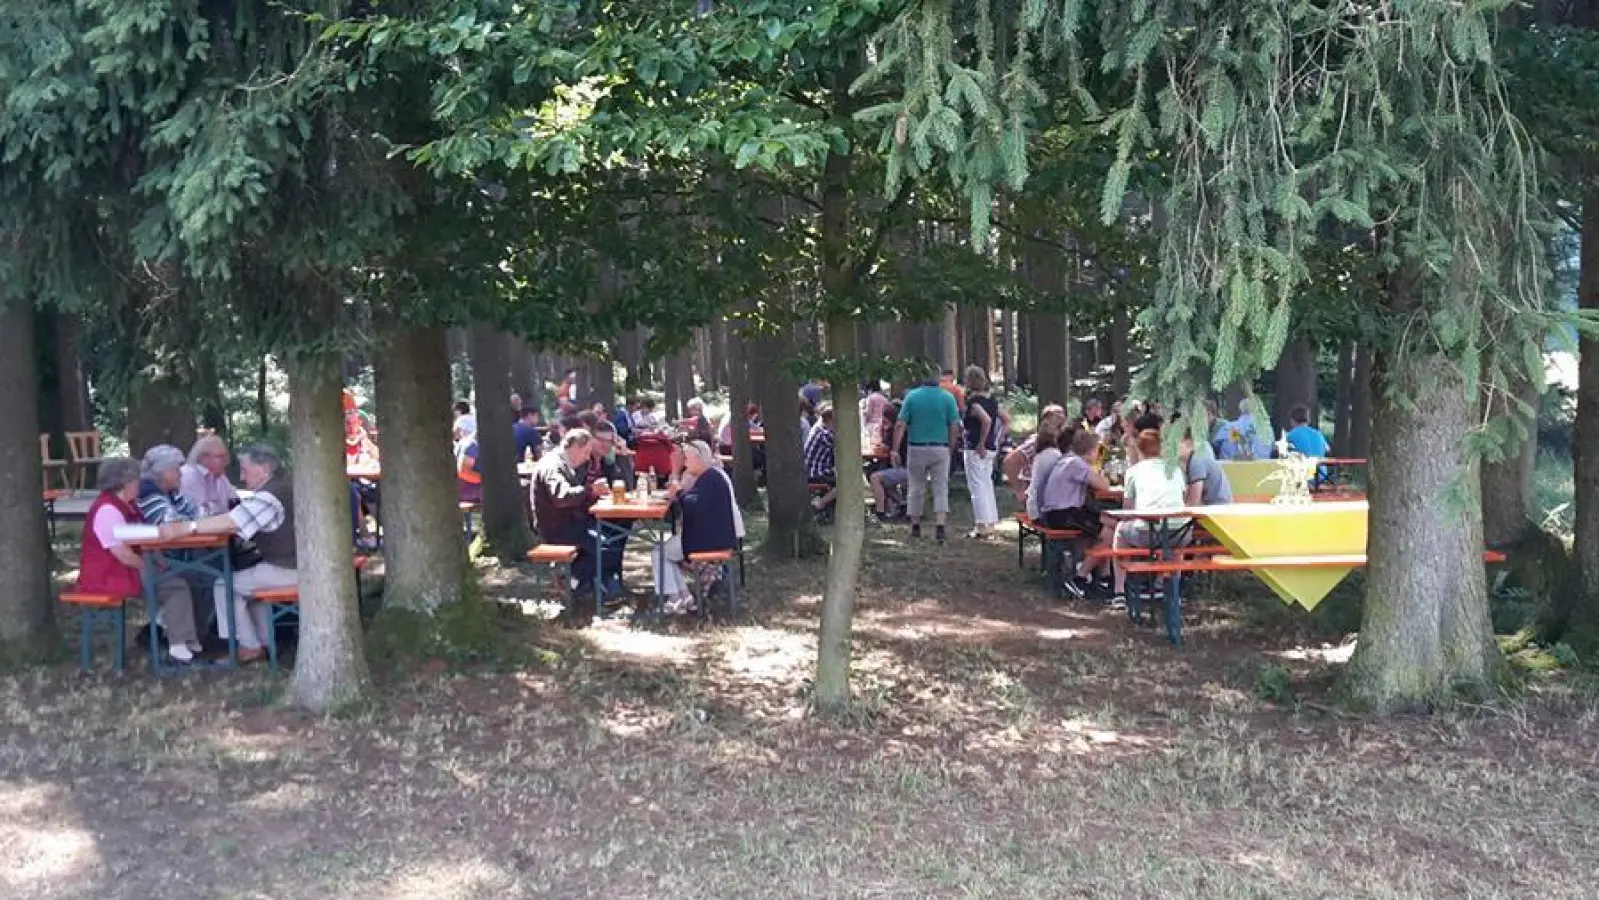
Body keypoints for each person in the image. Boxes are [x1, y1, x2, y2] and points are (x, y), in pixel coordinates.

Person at [159, 444, 297, 664]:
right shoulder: (283, 488)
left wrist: (188, 528)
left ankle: (249, 647)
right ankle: (262, 642)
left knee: (224, 585)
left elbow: (232, 521)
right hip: (296, 566)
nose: (241, 476)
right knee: (247, 583)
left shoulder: (268, 498)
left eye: (245, 469)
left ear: (264, 469)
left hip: (291, 569)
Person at [136, 445, 206, 663]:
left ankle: (191, 637)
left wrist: (193, 520)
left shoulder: (171, 493)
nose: (181, 473)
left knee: (202, 578)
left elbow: (199, 513)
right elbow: (171, 524)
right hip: (147, 562)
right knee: (179, 584)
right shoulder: (148, 494)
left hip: (167, 558)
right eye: (177, 469)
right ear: (164, 473)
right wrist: (193, 521)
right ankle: (177, 643)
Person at [1028, 428, 1118, 598]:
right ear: (1091, 451)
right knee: (1110, 534)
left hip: (1060, 512)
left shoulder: (1068, 459)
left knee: (1110, 523)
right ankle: (1080, 577)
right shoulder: (1076, 464)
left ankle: (1104, 576)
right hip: (1063, 514)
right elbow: (1104, 485)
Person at [658, 441, 740, 613]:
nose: (685, 463)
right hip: (708, 536)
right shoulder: (710, 477)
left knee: (659, 553)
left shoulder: (711, 479)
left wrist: (677, 493)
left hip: (708, 540)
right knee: (663, 552)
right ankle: (683, 596)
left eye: (687, 458)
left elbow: (693, 505)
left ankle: (676, 597)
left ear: (699, 458)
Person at [1110, 429, 1189, 609]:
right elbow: (1182, 498)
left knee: (1120, 531)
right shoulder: (1175, 469)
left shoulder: (1134, 471)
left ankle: (1119, 590)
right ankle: (1170, 588)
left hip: (1148, 534)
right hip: (1180, 533)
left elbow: (1127, 510)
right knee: (1176, 545)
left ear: (1140, 450)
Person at [531, 430, 604, 598]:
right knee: (602, 545)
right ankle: (571, 582)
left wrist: (591, 495)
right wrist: (589, 490)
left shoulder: (562, 463)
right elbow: (562, 497)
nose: (587, 458)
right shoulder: (552, 466)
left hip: (567, 523)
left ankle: (578, 583)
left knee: (607, 537)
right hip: (555, 528)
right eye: (585, 452)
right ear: (574, 446)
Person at [894, 369, 962, 543]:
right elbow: (954, 425)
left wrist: (895, 448)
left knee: (915, 487)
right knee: (941, 487)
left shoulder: (912, 397)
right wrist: (951, 445)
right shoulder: (947, 398)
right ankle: (940, 526)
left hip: (916, 447)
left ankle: (915, 526)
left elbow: (900, 424)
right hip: (940, 447)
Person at [75, 458, 146, 619]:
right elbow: (123, 555)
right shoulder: (107, 510)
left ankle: (167, 633)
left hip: (121, 572)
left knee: (180, 581)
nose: (139, 483)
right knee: (174, 585)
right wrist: (149, 566)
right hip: (107, 577)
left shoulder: (128, 504)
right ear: (125, 483)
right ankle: (175, 640)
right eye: (136, 479)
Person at [961, 366, 1005, 540]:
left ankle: (981, 525)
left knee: (977, 486)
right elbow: (1005, 419)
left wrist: (980, 443)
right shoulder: (992, 400)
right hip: (990, 448)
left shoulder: (974, 402)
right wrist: (997, 439)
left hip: (975, 448)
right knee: (987, 485)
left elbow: (985, 420)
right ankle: (991, 522)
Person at [1003, 404, 1068, 507]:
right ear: (1046, 420)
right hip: (1036, 494)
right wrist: (1019, 491)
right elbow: (1010, 461)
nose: (1060, 419)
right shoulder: (1036, 442)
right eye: (1056, 416)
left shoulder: (1061, 441)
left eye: (1062, 416)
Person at [181, 434, 239, 516]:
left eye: (226, 456)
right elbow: (199, 515)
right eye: (220, 456)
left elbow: (235, 503)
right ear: (204, 458)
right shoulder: (187, 476)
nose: (226, 461)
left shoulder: (220, 477)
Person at [870, 401, 910, 519]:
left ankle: (880, 512)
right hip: (907, 467)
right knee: (880, 475)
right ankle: (902, 504)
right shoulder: (901, 429)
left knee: (875, 477)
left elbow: (884, 449)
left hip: (906, 468)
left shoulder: (895, 431)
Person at [1181, 429, 1233, 506]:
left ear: (1189, 444)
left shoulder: (1197, 461)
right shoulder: (1191, 460)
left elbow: (1193, 503)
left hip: (1217, 509)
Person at [803, 404, 838, 512]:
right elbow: (843, 448)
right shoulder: (825, 434)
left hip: (810, 469)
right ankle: (820, 504)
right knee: (846, 483)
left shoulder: (818, 427)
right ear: (831, 421)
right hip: (814, 473)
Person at [455, 421, 482, 506]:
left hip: (466, 488)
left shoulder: (465, 441)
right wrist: (485, 480)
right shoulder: (472, 446)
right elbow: (462, 471)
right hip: (469, 490)